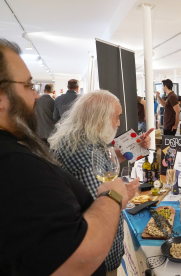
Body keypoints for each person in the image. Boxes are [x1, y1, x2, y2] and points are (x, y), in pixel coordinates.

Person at [0, 39, 150, 275]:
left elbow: (102, 166)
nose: (37, 96)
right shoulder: (78, 152)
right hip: (102, 259)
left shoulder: (80, 140)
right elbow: (95, 221)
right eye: (29, 86)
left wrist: (129, 151)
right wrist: (116, 195)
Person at [49, 90, 154, 275]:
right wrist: (121, 195)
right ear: (101, 118)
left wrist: (134, 147)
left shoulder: (78, 139)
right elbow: (99, 212)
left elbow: (105, 162)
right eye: (117, 117)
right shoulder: (86, 155)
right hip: (98, 260)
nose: (119, 123)